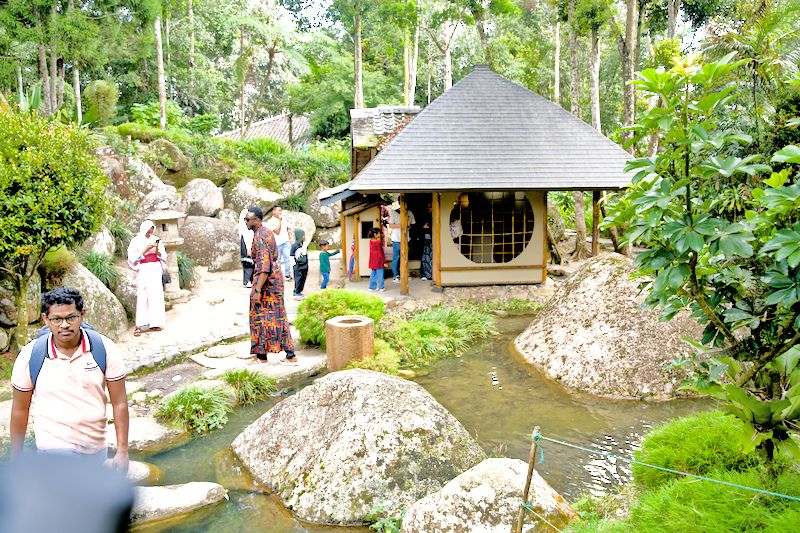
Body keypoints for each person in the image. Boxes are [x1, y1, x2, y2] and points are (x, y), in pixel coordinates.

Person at [9, 287, 129, 470]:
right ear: (45, 319)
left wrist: (122, 450)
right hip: (53, 448)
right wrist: (16, 457)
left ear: (82, 315)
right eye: (56, 319)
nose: (64, 325)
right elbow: (19, 409)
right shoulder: (31, 355)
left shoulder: (103, 349)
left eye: (71, 317)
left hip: (95, 447)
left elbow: (119, 402)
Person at [246, 207, 298, 365]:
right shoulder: (265, 232)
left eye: (248, 219)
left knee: (259, 317)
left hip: (267, 281)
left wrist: (257, 289)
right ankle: (290, 355)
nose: (246, 222)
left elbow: (264, 266)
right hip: (274, 280)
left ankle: (262, 357)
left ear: (257, 220)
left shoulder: (261, 235)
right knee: (277, 316)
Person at [127, 220, 167, 336]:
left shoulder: (156, 239)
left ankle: (156, 322)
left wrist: (157, 249)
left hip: (155, 267)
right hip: (144, 268)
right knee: (143, 294)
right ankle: (140, 324)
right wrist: (146, 249)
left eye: (151, 232)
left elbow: (163, 255)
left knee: (156, 294)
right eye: (147, 232)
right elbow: (133, 257)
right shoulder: (136, 241)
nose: (149, 234)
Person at [388, 201, 415, 283]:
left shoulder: (409, 212)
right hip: (396, 239)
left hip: (406, 238)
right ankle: (395, 275)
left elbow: (412, 223)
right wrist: (401, 225)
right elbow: (390, 225)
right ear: (400, 202)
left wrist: (408, 226)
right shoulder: (394, 212)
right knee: (396, 257)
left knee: (405, 257)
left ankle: (405, 273)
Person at [265, 204, 292, 281]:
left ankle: (287, 275)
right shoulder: (271, 221)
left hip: (286, 241)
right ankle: (278, 275)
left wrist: (289, 239)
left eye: (281, 210)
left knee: (287, 258)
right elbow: (277, 231)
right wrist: (280, 221)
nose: (280, 212)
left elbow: (287, 229)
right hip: (277, 242)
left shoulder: (284, 219)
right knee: (278, 260)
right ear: (274, 212)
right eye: (278, 210)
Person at [238, 207, 255, 288]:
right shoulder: (246, 225)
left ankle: (248, 280)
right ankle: (248, 280)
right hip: (247, 243)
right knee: (248, 262)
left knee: (248, 262)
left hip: (246, 241)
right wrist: (249, 248)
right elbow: (247, 235)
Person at [291, 229, 309, 300]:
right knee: (298, 278)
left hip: (304, 265)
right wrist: (294, 265)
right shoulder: (295, 246)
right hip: (298, 266)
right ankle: (296, 291)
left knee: (303, 278)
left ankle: (300, 291)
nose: (304, 237)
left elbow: (305, 254)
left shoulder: (304, 244)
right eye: (303, 235)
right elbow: (291, 256)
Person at [368, 227, 386, 292]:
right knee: (380, 274)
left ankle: (371, 287)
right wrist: (384, 262)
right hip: (378, 261)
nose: (380, 234)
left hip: (372, 260)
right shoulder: (378, 242)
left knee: (373, 274)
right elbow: (381, 253)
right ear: (375, 234)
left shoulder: (370, 241)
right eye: (378, 233)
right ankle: (381, 287)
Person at [420, 202, 433, 281]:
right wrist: (424, 227)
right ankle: (424, 274)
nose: (430, 208)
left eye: (431, 206)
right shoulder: (425, 216)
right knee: (425, 256)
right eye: (429, 207)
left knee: (432, 256)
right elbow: (422, 226)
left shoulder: (435, 215)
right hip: (426, 238)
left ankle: (431, 274)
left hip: (433, 237)